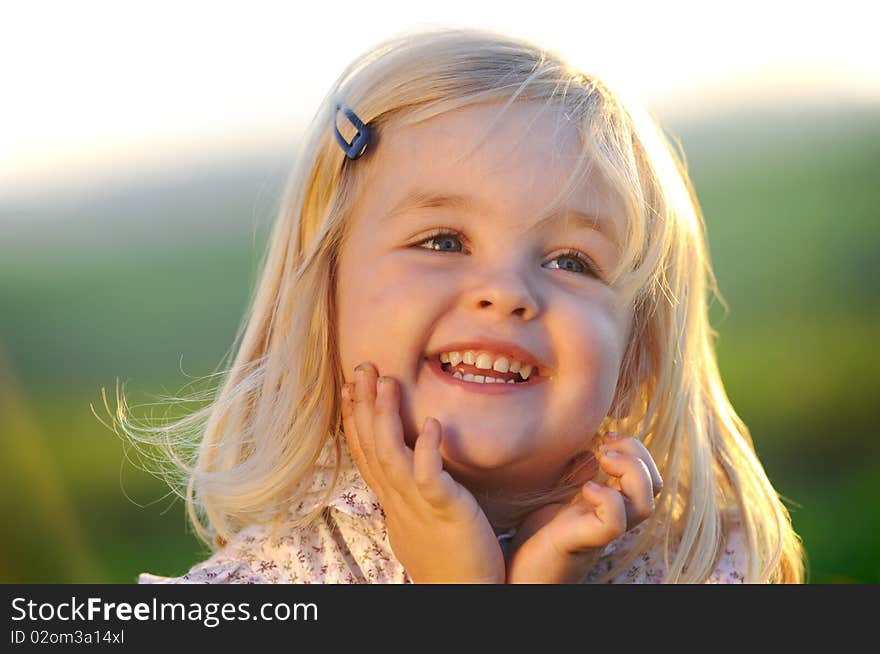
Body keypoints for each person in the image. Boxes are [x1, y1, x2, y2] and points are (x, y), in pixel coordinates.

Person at [129, 27, 804, 583]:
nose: (508, 292)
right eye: (444, 240)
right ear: (324, 294)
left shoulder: (704, 568)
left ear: (635, 350)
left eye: (572, 262)